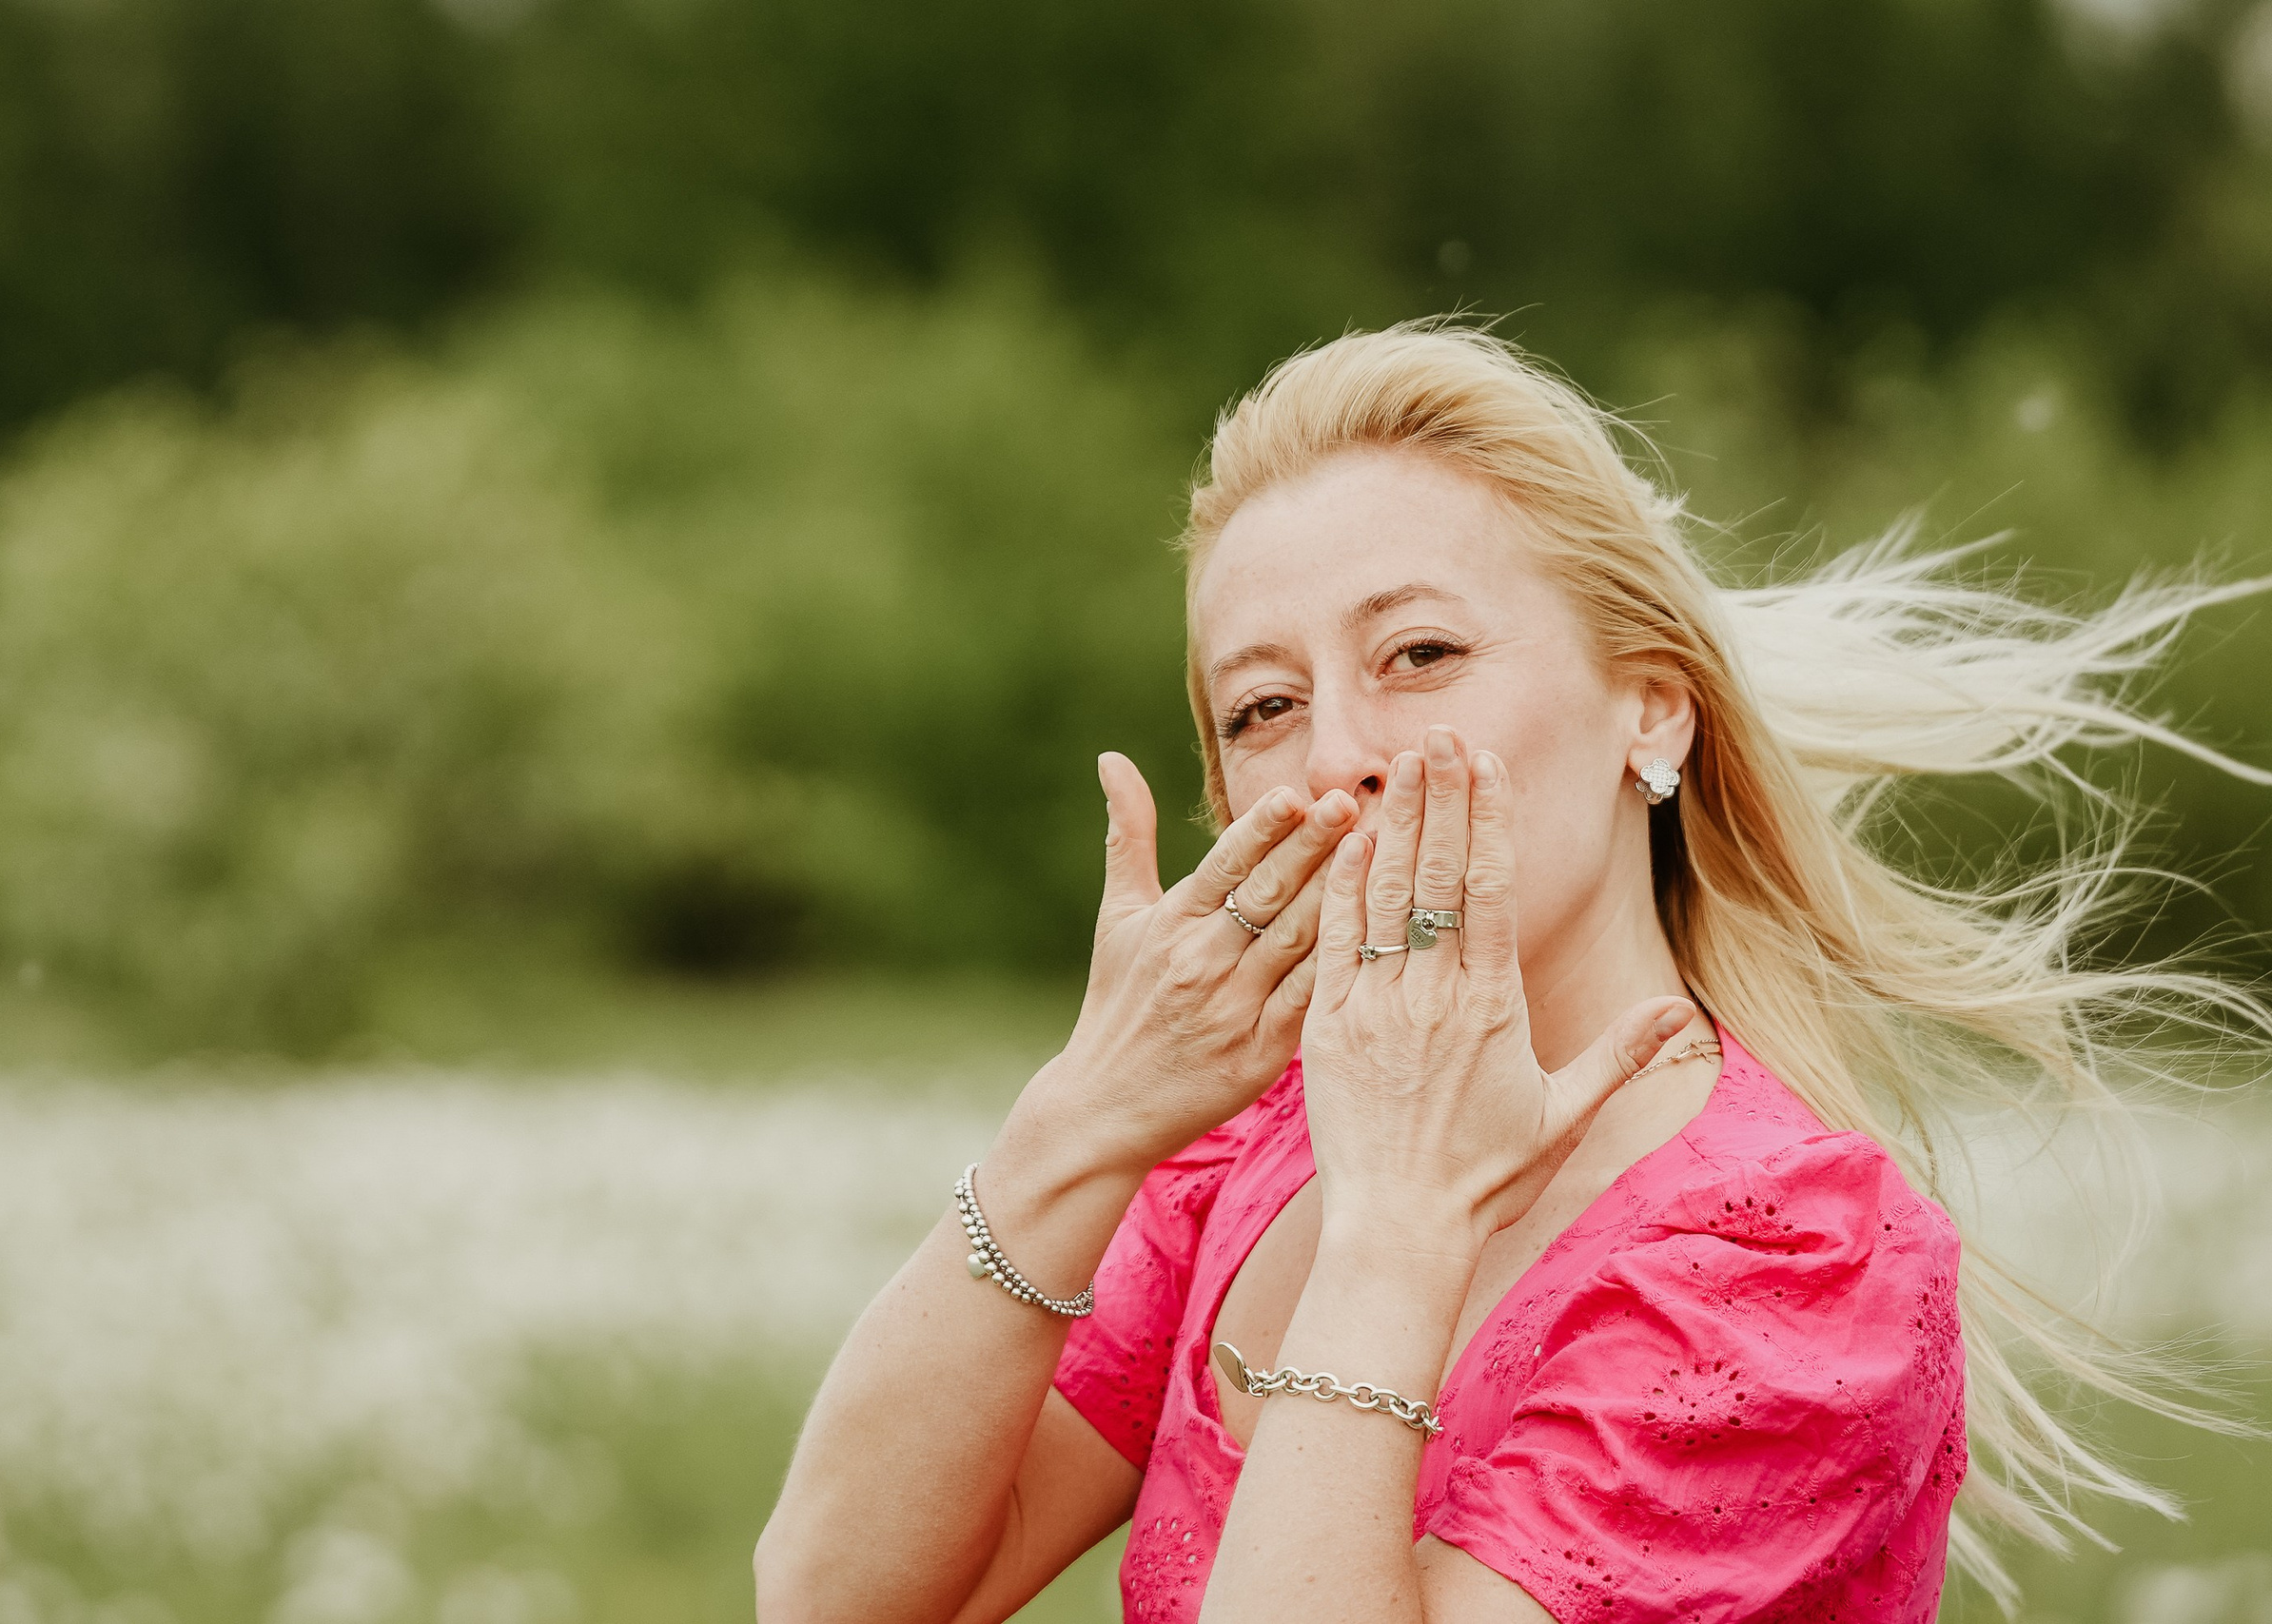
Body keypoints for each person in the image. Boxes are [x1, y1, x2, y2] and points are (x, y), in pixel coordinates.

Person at [754, 323, 2267, 1623]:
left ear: (1653, 714)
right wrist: (1076, 1124)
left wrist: (1399, 1223)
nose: (1340, 756)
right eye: (1264, 707)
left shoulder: (1796, 1259)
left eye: (1418, 656)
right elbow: (840, 1599)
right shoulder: (1251, 1150)